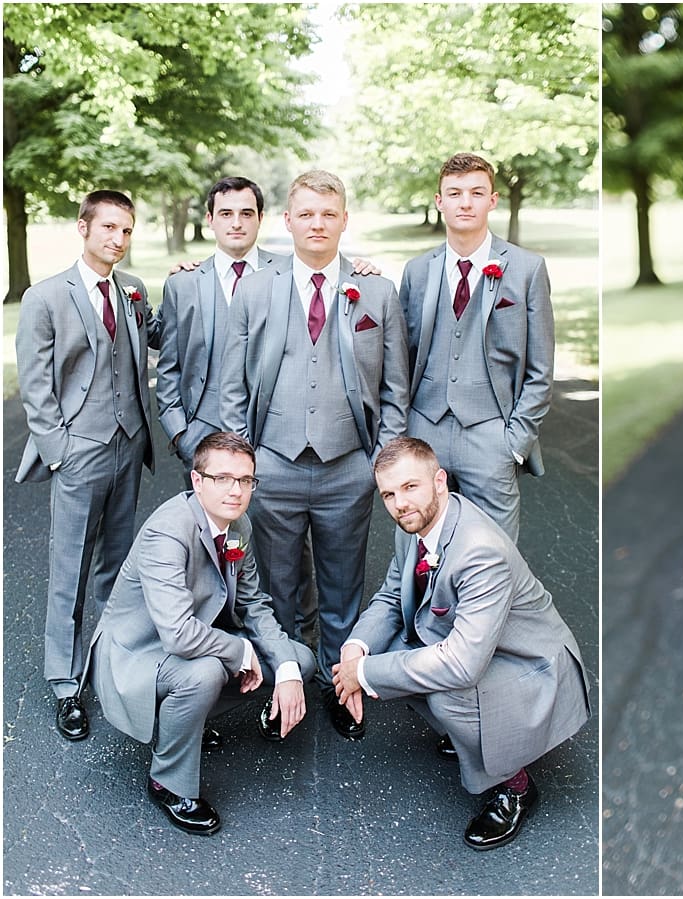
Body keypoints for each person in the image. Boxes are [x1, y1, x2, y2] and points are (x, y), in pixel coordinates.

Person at [220, 169, 409, 741]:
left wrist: (383, 462)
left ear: (345, 219)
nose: (318, 224)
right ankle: (287, 680)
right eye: (306, 213)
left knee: (343, 585)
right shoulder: (257, 287)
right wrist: (243, 460)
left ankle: (338, 686)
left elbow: (394, 388)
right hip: (272, 462)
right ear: (288, 220)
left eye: (329, 214)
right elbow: (232, 383)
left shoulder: (375, 290)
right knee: (277, 588)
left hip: (348, 464)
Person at [332, 437, 590, 850]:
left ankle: (516, 788)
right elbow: (390, 598)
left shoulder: (479, 550)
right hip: (479, 648)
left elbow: (463, 666)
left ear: (439, 481)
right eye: (389, 494)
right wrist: (356, 649)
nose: (400, 503)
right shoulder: (414, 525)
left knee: (446, 694)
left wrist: (361, 675)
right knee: (395, 653)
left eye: (410, 487)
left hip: (532, 665)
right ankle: (476, 738)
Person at [88, 432, 316, 835]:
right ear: (197, 481)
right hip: (139, 652)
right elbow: (176, 634)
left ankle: (195, 721)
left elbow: (253, 604)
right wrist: (242, 652)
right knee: (206, 672)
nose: (236, 490)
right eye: (223, 478)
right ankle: (167, 782)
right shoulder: (167, 533)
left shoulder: (238, 525)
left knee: (299, 661)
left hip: (199, 640)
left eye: (245, 480)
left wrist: (286, 673)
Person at [15, 189, 155, 741]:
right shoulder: (46, 297)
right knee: (70, 570)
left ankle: (114, 668)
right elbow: (36, 386)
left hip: (128, 447)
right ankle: (65, 683)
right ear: (83, 227)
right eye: (108, 228)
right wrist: (61, 452)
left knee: (119, 571)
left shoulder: (132, 292)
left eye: (126, 230)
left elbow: (155, 338)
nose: (117, 239)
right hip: (80, 452)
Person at [397, 152, 554, 543]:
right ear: (440, 202)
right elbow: (399, 360)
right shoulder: (417, 272)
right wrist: (403, 434)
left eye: (476, 192)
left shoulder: (526, 268)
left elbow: (541, 369)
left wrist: (514, 442)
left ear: (493, 200)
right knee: (418, 552)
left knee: (495, 555)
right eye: (454, 193)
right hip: (424, 431)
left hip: (491, 435)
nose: (465, 202)